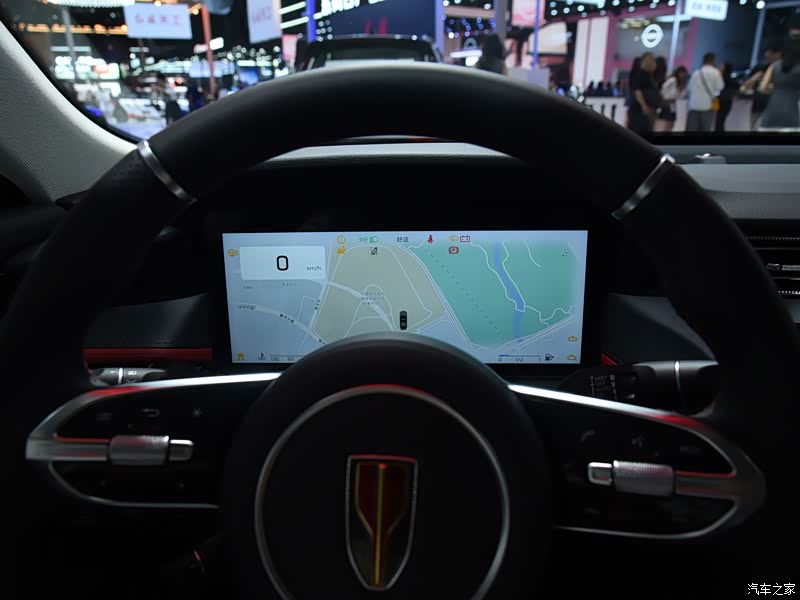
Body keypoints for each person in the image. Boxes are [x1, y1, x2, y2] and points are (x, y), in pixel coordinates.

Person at [759, 23, 800, 129]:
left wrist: (778, 89)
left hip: (772, 110)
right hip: (793, 113)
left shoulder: (774, 66)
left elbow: (763, 88)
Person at [740, 42, 783, 129]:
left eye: (770, 54)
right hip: (758, 107)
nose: (767, 56)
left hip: (777, 109)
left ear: (778, 54)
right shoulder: (760, 67)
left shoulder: (785, 69)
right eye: (767, 54)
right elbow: (744, 88)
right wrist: (754, 78)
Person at [687, 53, 724, 131]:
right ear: (713, 60)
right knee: (705, 128)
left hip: (694, 104)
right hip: (708, 105)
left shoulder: (696, 72)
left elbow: (689, 87)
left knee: (692, 129)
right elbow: (720, 87)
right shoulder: (716, 72)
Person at [628, 52, 660, 135]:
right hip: (639, 110)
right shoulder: (639, 75)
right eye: (649, 60)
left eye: (653, 60)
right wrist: (644, 105)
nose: (652, 62)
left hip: (649, 109)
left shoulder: (651, 76)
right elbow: (637, 91)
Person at [658, 65, 688, 132]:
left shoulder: (682, 83)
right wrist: (663, 98)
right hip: (667, 103)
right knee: (668, 122)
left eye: (684, 73)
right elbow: (663, 88)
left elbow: (681, 96)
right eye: (681, 73)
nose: (682, 75)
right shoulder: (672, 80)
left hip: (674, 104)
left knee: (671, 123)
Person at [715, 62, 738, 132]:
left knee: (719, 121)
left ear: (725, 68)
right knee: (721, 120)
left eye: (721, 66)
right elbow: (736, 88)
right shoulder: (732, 79)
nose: (719, 67)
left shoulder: (721, 77)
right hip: (728, 101)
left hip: (721, 101)